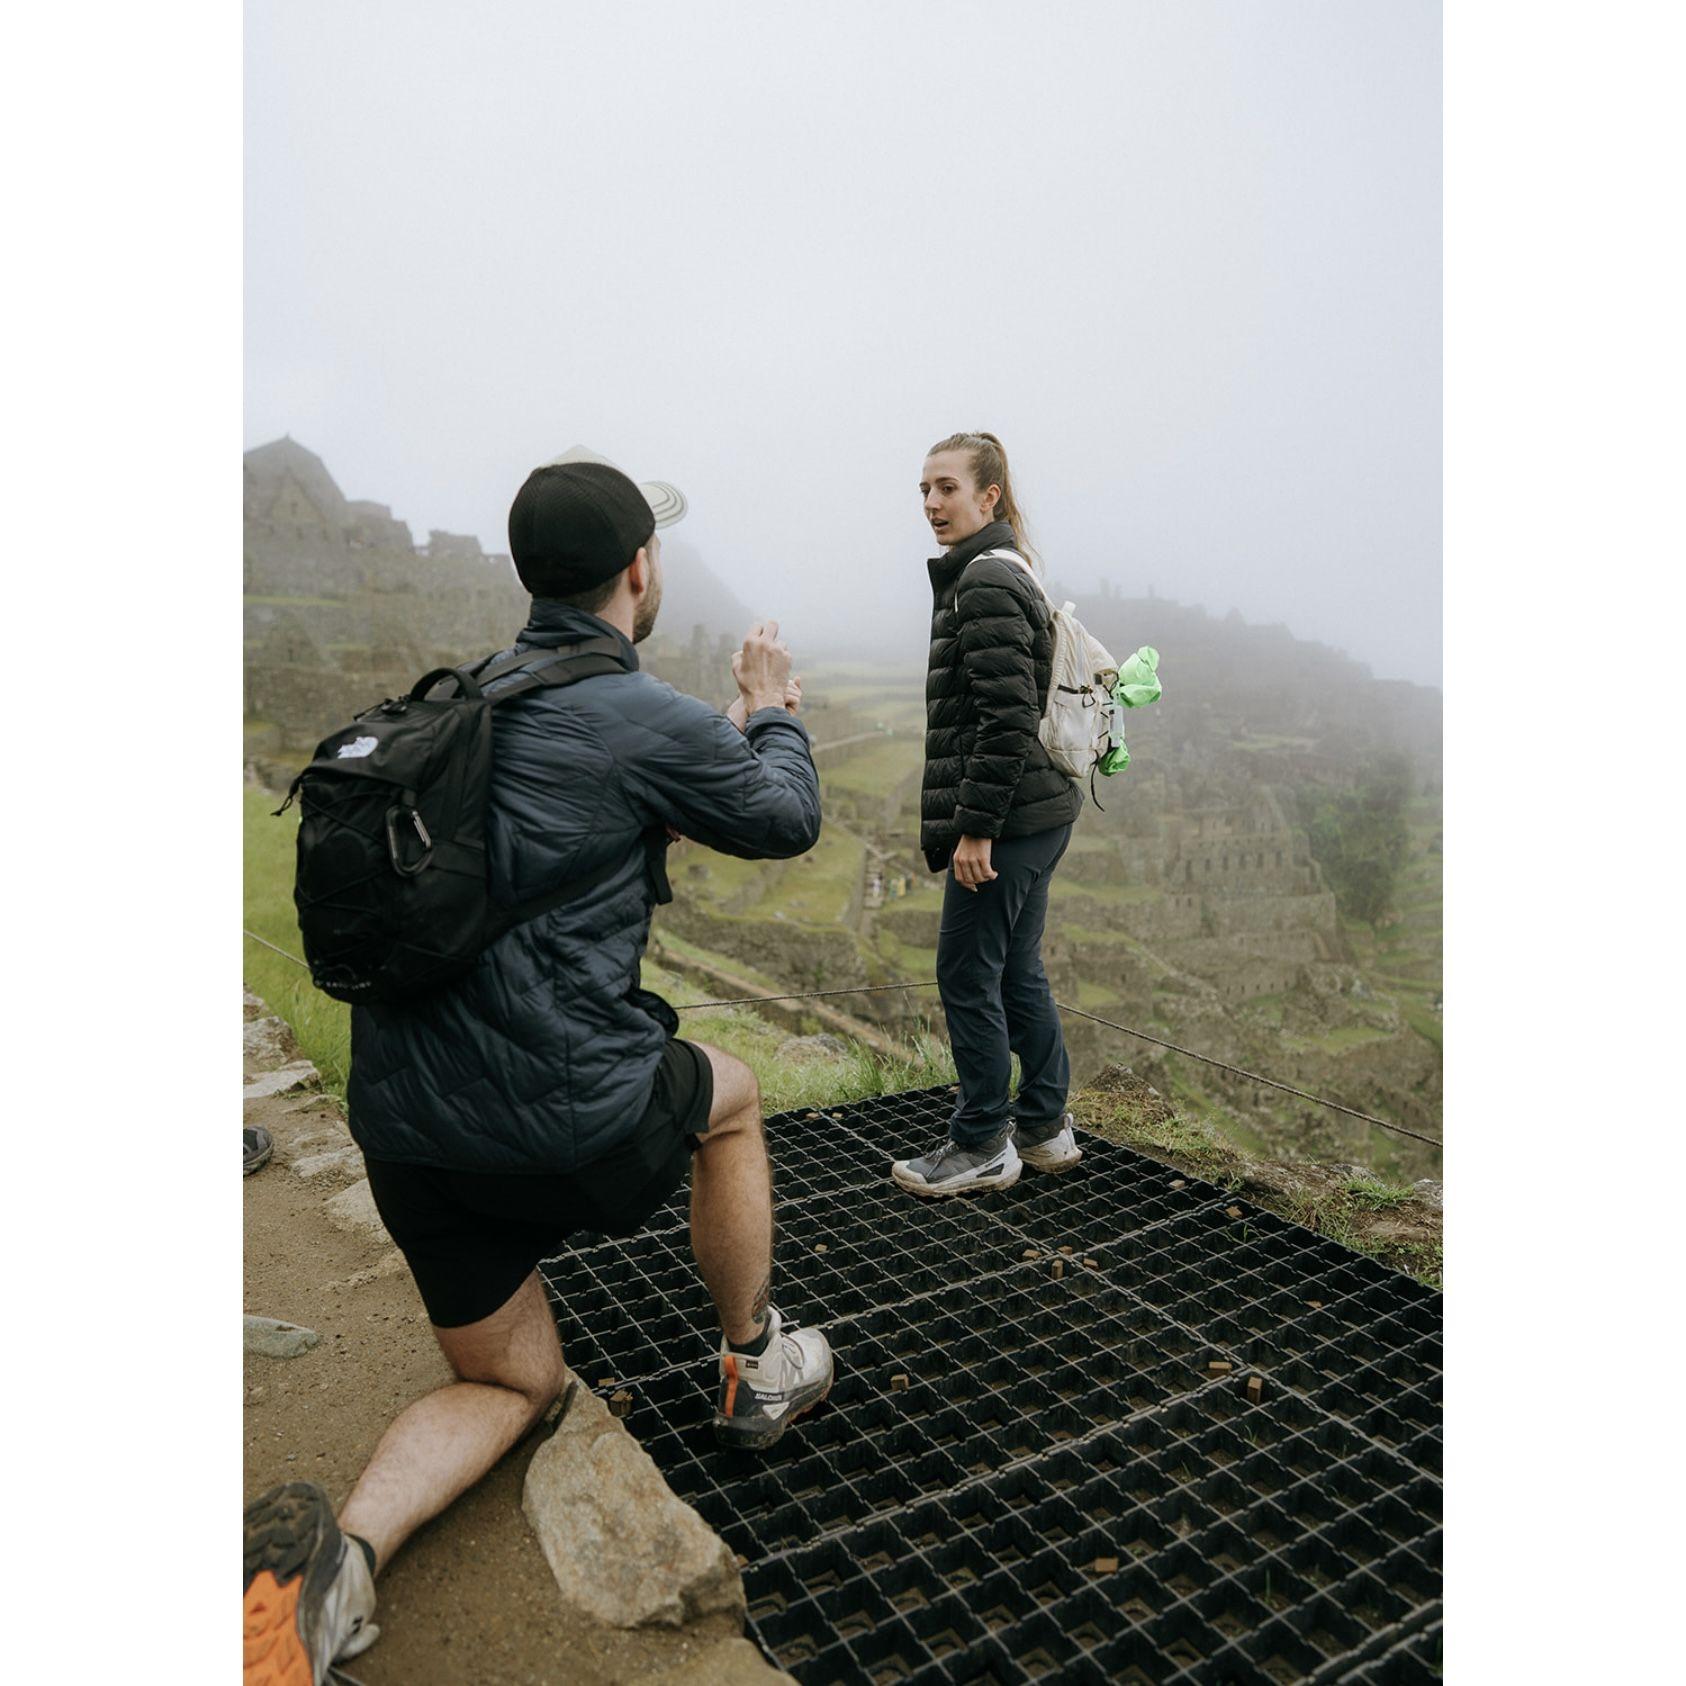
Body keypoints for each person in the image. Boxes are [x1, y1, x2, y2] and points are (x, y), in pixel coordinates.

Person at [243, 450, 834, 1685]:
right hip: (566, 1126)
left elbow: (576, 825)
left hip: (407, 1136)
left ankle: (337, 1571)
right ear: (640, 571)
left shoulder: (465, 699)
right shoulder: (641, 714)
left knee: (517, 1382)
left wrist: (705, 749)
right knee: (730, 1099)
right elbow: (785, 817)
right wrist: (771, 709)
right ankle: (756, 1367)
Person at [891, 431, 1085, 1197]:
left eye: (947, 487)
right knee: (1015, 971)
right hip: (1039, 812)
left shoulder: (983, 581)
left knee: (967, 972)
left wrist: (976, 828)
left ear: (989, 495)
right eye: (924, 490)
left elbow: (1006, 720)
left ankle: (980, 1144)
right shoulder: (1006, 567)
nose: (932, 503)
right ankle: (1043, 1128)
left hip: (1008, 820)